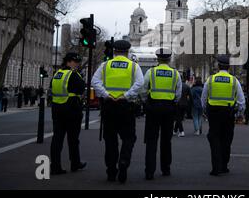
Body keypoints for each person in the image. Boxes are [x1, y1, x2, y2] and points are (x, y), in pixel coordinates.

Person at [91, 40, 144, 183]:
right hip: (126, 107)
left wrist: (106, 94)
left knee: (110, 140)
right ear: (127, 51)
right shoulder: (133, 66)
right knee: (129, 138)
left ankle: (111, 171)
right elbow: (140, 83)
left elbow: (95, 82)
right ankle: (124, 162)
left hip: (109, 106)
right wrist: (126, 95)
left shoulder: (105, 65)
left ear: (114, 51)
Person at [140, 48, 182, 180]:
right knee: (166, 140)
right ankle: (166, 169)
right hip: (169, 109)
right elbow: (178, 93)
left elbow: (143, 89)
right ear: (169, 59)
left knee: (151, 140)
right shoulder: (175, 74)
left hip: (153, 108)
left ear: (157, 59)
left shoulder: (151, 72)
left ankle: (149, 171)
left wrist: (146, 102)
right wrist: (172, 102)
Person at [201, 54, 245, 176]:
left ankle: (216, 167)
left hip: (213, 113)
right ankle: (224, 165)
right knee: (227, 139)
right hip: (228, 113)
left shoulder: (211, 79)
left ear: (218, 66)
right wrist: (240, 114)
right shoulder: (234, 80)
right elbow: (241, 101)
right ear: (229, 67)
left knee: (214, 138)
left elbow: (204, 98)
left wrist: (204, 110)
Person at [50, 52, 87, 175]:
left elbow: (52, 89)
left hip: (57, 108)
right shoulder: (73, 74)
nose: (77, 64)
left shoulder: (57, 74)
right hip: (71, 109)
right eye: (75, 62)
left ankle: (55, 166)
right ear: (69, 62)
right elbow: (82, 88)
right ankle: (75, 163)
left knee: (57, 138)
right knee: (73, 139)